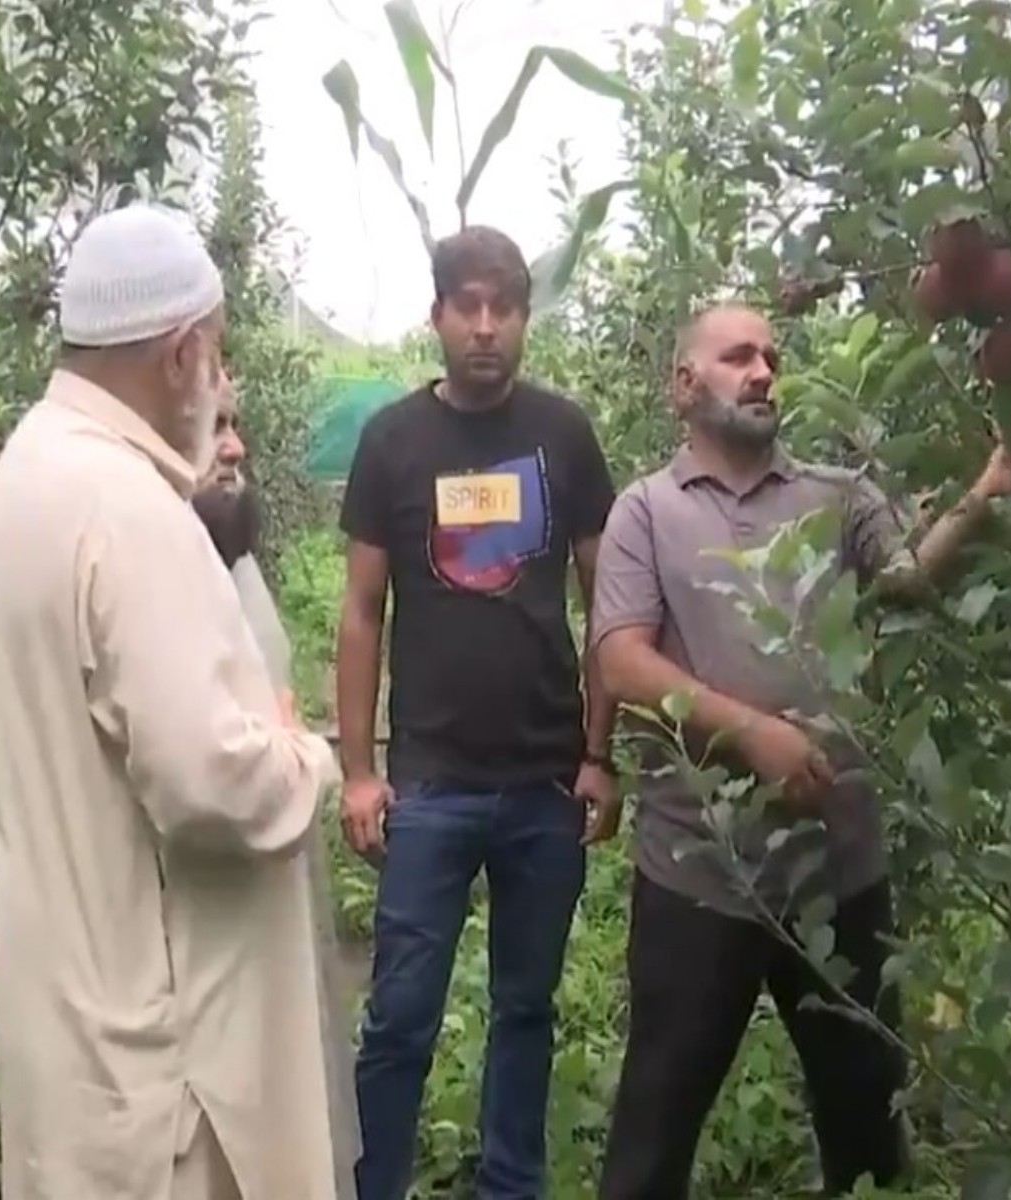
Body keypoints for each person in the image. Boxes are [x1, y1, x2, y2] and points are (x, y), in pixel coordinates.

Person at [589, 303, 1011, 1199]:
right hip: (702, 879)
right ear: (684, 385)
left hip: (840, 874)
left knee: (868, 1133)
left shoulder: (837, 496)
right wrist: (752, 732)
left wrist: (1000, 474)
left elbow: (910, 577)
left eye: (772, 355)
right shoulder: (645, 511)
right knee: (652, 1141)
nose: (764, 371)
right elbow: (621, 659)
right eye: (737, 357)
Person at [0, 202, 342, 1200]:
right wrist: (309, 758)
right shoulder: (132, 508)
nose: (219, 382)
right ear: (182, 354)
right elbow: (207, 780)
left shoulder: (31, 464)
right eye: (216, 356)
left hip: (67, 1011)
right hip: (162, 1048)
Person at [335, 224, 623, 1200]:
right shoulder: (391, 442)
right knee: (400, 1015)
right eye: (469, 306)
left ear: (524, 318)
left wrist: (600, 753)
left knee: (525, 1012)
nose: (487, 327)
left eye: (505, 307)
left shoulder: (565, 435)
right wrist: (360, 771)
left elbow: (607, 604)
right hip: (430, 783)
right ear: (438, 316)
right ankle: (374, 1184)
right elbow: (360, 614)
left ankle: (512, 1185)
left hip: (545, 781)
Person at [191, 380, 362, 1200]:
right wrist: (305, 756)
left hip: (272, 898)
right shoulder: (154, 580)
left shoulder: (233, 562)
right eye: (212, 426)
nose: (235, 449)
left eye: (236, 425)